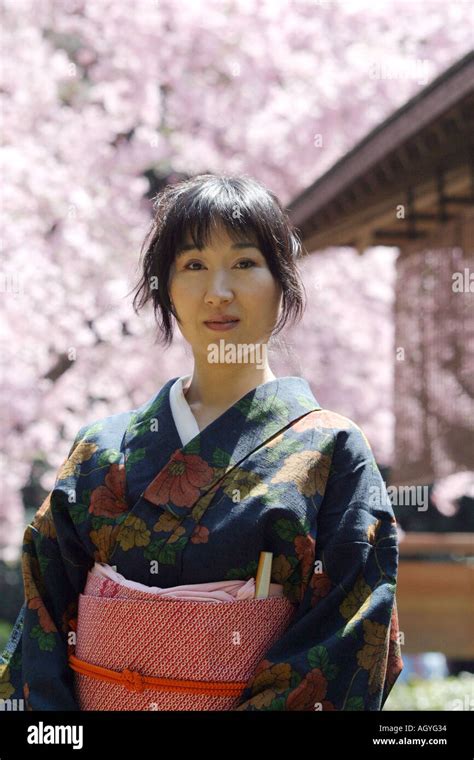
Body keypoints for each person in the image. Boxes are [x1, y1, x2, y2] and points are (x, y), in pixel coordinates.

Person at [0, 174, 403, 711]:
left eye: (244, 263)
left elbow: (350, 633)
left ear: (282, 282)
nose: (219, 291)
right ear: (165, 288)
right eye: (193, 266)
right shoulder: (100, 450)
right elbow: (42, 618)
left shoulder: (332, 451)